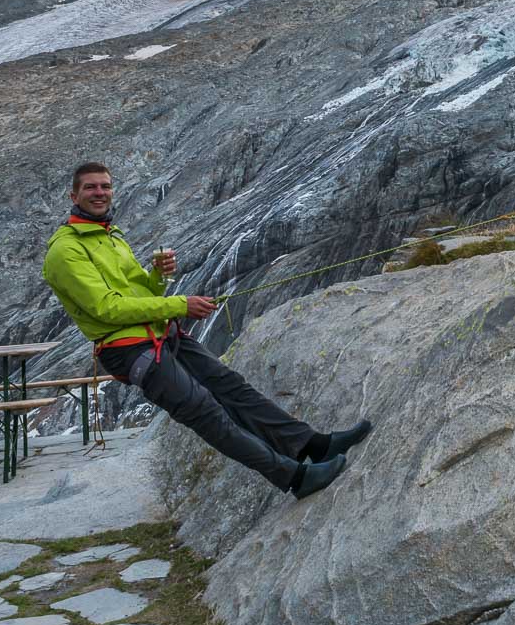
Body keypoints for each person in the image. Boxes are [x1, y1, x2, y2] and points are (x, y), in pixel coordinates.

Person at [43, 161, 369, 497]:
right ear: (74, 195)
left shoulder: (111, 236)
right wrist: (180, 305)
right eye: (91, 188)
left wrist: (158, 276)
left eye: (105, 187)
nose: (100, 193)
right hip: (129, 350)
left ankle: (314, 445)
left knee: (232, 388)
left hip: (159, 335)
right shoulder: (65, 251)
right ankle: (295, 477)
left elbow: (144, 293)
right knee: (207, 413)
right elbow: (107, 309)